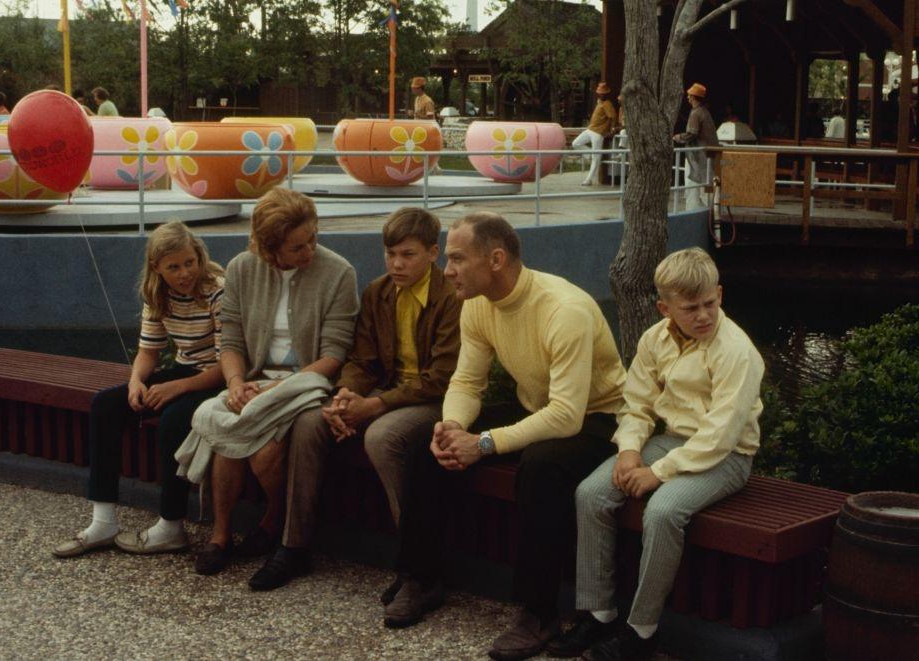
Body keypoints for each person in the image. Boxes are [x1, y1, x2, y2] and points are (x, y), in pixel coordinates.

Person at [392, 212, 626, 659]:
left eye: (458, 258)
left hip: (599, 419)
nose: (448, 269)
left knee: (542, 467)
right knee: (429, 442)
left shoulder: (565, 309)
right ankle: (421, 578)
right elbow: (466, 383)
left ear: (495, 259)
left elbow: (566, 417)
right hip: (542, 408)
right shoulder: (477, 302)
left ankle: (539, 613)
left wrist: (483, 444)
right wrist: (455, 427)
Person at [550, 247, 764, 661]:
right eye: (690, 308)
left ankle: (641, 632)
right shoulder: (654, 339)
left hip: (728, 456)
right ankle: (599, 613)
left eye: (709, 303)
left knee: (664, 512)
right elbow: (637, 404)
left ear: (719, 293)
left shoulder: (737, 351)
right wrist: (630, 451)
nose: (703, 315)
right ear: (665, 308)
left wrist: (658, 473)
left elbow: (720, 435)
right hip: (672, 440)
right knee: (591, 493)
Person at [289, 208, 463, 602]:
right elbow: (363, 360)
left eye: (408, 254)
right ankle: (294, 544)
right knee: (310, 422)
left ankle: (418, 567)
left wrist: (375, 406)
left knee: (383, 437)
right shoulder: (378, 292)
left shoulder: (451, 297)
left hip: (436, 400)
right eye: (390, 254)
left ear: (433, 252)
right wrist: (347, 395)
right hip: (389, 393)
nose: (396, 264)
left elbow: (441, 377)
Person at [185, 187, 359, 578]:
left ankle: (274, 522)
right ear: (269, 249)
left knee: (263, 452)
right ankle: (220, 534)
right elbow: (230, 339)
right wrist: (234, 383)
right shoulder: (243, 269)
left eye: (313, 238)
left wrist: (274, 390)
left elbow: (334, 355)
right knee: (225, 429)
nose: (309, 250)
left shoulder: (338, 273)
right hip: (253, 378)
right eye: (297, 247)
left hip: (307, 383)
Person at [52, 221, 225, 558]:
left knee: (175, 419)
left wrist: (176, 387)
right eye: (173, 267)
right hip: (186, 370)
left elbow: (228, 363)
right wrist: (136, 382)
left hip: (215, 377)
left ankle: (171, 526)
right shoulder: (156, 293)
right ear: (156, 268)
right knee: (106, 404)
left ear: (199, 256)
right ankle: (103, 521)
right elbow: (148, 351)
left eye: (189, 262)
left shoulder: (217, 289)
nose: (184, 273)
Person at [673, 83, 718, 210]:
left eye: (689, 96)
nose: (687, 98)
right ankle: (710, 212)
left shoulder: (696, 113)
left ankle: (694, 211)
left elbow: (692, 133)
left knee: (693, 186)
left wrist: (678, 137)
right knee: (704, 187)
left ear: (693, 97)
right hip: (705, 156)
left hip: (698, 156)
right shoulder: (704, 112)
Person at [573, 82, 618, 186]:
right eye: (600, 93)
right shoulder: (599, 102)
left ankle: (589, 179)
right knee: (576, 143)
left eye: (603, 93)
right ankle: (589, 155)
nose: (602, 94)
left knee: (596, 157)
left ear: (607, 94)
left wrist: (612, 130)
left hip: (599, 132)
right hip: (590, 129)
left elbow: (613, 117)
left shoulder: (607, 104)